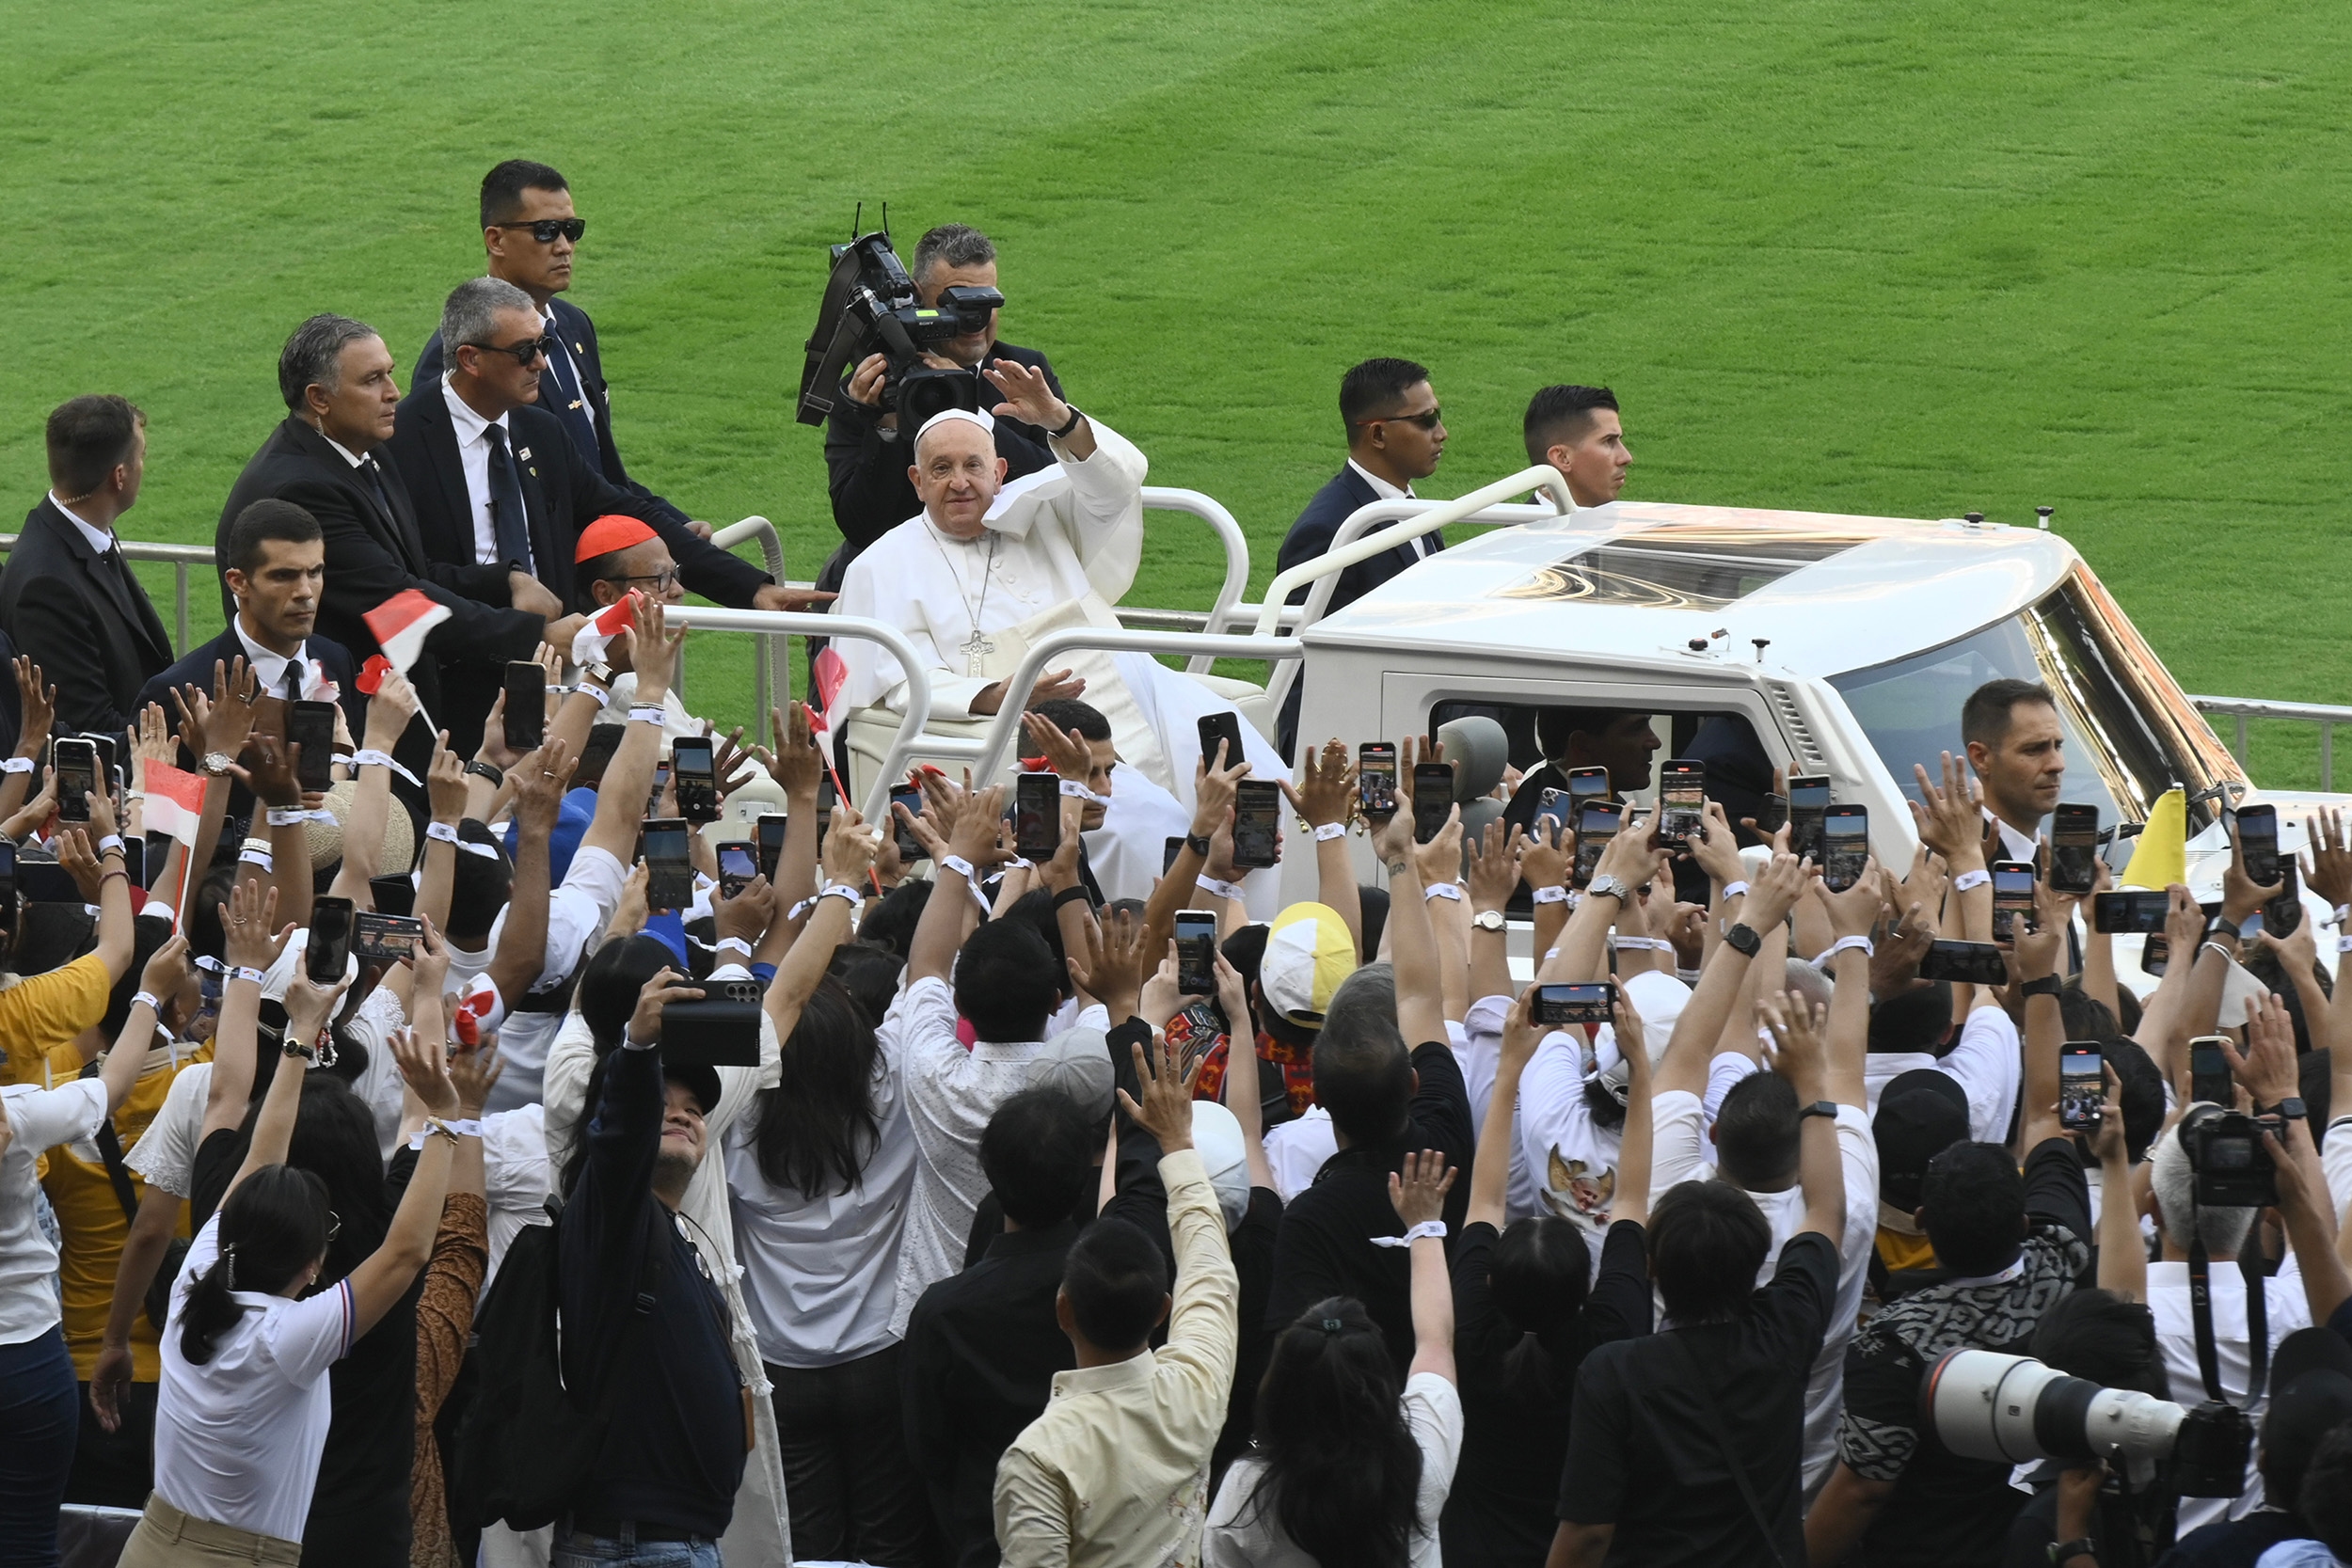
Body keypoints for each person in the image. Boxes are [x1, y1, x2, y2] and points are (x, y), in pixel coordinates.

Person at [827, 396, 1285, 903]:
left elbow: (1118, 483)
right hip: (1040, 729)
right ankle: (1173, 934)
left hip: (1134, 682)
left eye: (973, 466)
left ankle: (1273, 927)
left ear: (999, 472)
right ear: (916, 481)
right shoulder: (882, 566)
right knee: (1149, 826)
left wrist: (1059, 420)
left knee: (1258, 789)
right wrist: (999, 693)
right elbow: (901, 679)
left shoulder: (1039, 510)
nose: (960, 482)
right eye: (941, 469)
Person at [118, 978, 462, 1568]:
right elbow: (405, 1251)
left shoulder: (193, 1281)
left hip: (153, 1543)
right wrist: (448, 1113)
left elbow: (260, 1155)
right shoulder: (288, 1337)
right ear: (313, 1267)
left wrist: (300, 1033)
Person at [1805, 891, 2096, 1568]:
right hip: (2032, 1540)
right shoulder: (2060, 1259)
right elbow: (2048, 1113)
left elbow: (1862, 1490)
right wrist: (2042, 983)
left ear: (1927, 1225)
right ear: (2023, 1219)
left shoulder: (1893, 1340)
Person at [385, 277, 782, 754]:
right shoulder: (400, 442)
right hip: (455, 682)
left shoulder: (541, 431)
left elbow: (625, 508)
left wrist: (749, 588)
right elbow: (405, 579)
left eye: (544, 345)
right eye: (525, 351)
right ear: (470, 359)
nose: (541, 362)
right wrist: (506, 582)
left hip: (555, 670)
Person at [1549, 990, 1849, 1568]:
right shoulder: (1785, 1331)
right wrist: (1812, 1082)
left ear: (1652, 1267)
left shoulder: (1614, 1373)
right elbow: (1826, 1210)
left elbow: (1587, 1535)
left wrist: (1641, 1070)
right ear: (1759, 1262)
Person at [215, 313, 585, 736]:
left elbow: (408, 571)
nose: (393, 393)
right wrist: (535, 637)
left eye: (389, 374)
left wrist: (503, 581)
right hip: (338, 728)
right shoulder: (303, 488)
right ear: (319, 398)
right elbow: (392, 601)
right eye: (372, 380)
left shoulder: (366, 452)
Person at [725, 816, 928, 1568]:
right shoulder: (899, 1091)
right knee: (890, 1542)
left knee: (807, 1546)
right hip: (879, 1355)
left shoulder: (738, 1119)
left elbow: (776, 1007)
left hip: (782, 1366)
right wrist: (953, 865)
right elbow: (930, 975)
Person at [993, 1034, 1240, 1567]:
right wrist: (1177, 1142)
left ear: (1063, 1310)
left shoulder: (1040, 1459)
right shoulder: (1196, 1387)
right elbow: (1210, 1270)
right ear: (1162, 1310)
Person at [1263, 789, 1475, 1374]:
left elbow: (1291, 1354)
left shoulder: (1310, 1217)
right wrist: (1401, 860)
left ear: (1318, 1098)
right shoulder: (1446, 1142)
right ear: (1414, 1083)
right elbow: (1420, 996)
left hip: (1344, 1413)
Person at [1443, 990, 1654, 1568]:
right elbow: (1632, 1200)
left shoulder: (1469, 1333)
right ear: (1586, 1289)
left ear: (1490, 1284)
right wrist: (1639, 1066)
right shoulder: (1608, 1341)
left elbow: (1485, 1201)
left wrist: (1510, 1067)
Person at [550, 964, 748, 1566]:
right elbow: (617, 1145)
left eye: (695, 1109)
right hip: (632, 1547)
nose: (683, 1115)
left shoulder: (675, 1236)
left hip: (675, 1542)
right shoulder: (612, 1216)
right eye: (662, 1104)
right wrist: (637, 1048)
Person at [0, 840, 150, 1568]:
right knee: (30, 1543)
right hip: (27, 1354)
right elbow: (111, 1085)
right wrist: (149, 996)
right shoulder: (21, 1105)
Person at [1205, 1149, 1460, 1568]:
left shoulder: (1247, 1492)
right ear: (1382, 1381)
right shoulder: (1421, 1460)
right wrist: (1423, 1226)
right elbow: (1436, 1342)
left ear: (1280, 1391)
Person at [410, 161, 679, 518]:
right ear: (496, 240)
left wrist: (674, 525)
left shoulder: (573, 324)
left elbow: (600, 475)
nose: (564, 246)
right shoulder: (456, 355)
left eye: (571, 230)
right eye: (546, 231)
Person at [900, 1086, 1099, 1568]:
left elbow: (927, 1448)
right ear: (1082, 1176)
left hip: (987, 1530)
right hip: (1103, 1524)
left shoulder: (944, 1312)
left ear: (991, 1174)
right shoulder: (1110, 1289)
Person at [821, 222, 1067, 582]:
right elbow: (861, 526)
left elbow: (1059, 489)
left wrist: (968, 409)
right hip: (896, 582)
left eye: (987, 303)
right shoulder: (869, 388)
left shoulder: (1024, 372)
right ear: (917, 297)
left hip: (1004, 577)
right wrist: (886, 423)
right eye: (958, 304)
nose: (975, 321)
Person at [1272, 358, 1449, 757]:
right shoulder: (1329, 530)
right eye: (1426, 420)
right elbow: (1308, 667)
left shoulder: (1408, 505)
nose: (1441, 433)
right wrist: (1313, 766)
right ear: (1378, 434)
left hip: (1412, 728)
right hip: (1359, 752)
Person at [138, 500, 373, 794]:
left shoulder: (336, 660)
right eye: (284, 575)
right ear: (238, 582)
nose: (305, 592)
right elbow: (155, 814)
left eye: (314, 572)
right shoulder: (182, 692)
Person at [0, 394, 174, 736]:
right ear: (119, 476)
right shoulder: (46, 587)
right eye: (142, 456)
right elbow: (87, 728)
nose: (143, 465)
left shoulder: (85, 533)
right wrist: (194, 736)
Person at [1963, 676, 2067, 860]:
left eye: (2057, 746)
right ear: (1981, 758)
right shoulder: (1948, 870)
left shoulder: (2063, 866)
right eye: (2034, 749)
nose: (2058, 765)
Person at [1521, 385, 1632, 510]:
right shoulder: (1521, 524)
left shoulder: (1614, 520)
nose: (1626, 458)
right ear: (1562, 458)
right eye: (1608, 441)